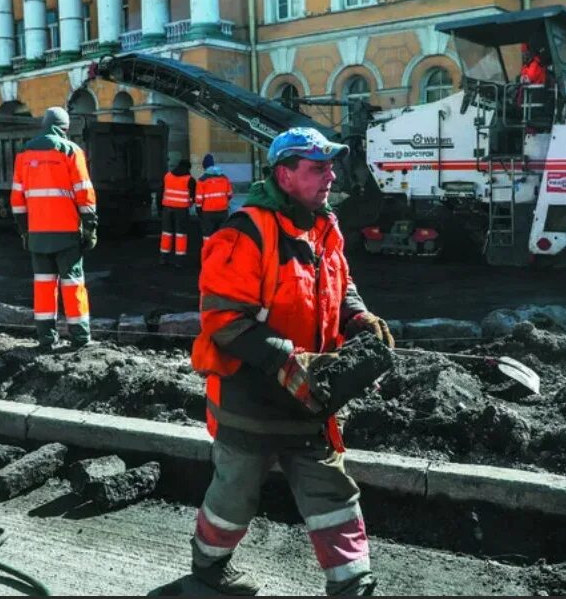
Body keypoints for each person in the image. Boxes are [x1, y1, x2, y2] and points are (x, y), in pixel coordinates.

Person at [189, 126, 394, 596]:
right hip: (250, 399)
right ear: (285, 175)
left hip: (307, 396)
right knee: (233, 496)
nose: (330, 176)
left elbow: (340, 286)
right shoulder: (246, 231)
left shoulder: (325, 225)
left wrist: (359, 318)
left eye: (330, 166)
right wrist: (285, 360)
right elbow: (222, 317)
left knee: (332, 492)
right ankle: (208, 567)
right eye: (317, 168)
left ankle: (352, 584)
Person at [10, 106, 98, 350]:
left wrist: (24, 231)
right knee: (72, 282)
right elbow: (84, 193)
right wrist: (90, 227)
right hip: (66, 231)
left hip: (37, 233)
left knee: (43, 284)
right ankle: (80, 337)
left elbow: (17, 199)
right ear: (65, 127)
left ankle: (46, 338)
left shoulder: (24, 154)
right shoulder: (71, 150)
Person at [159, 159, 196, 267]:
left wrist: (160, 208)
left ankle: (163, 257)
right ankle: (179, 260)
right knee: (181, 234)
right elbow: (193, 196)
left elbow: (161, 192)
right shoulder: (190, 179)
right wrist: (190, 203)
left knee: (166, 233)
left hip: (167, 208)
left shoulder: (167, 176)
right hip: (181, 210)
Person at [195, 154, 233, 241]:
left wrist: (199, 211)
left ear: (204, 166)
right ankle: (222, 254)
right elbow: (230, 194)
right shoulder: (224, 178)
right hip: (223, 211)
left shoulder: (202, 180)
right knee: (222, 236)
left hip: (207, 213)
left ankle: (208, 253)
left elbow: (198, 200)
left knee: (207, 236)